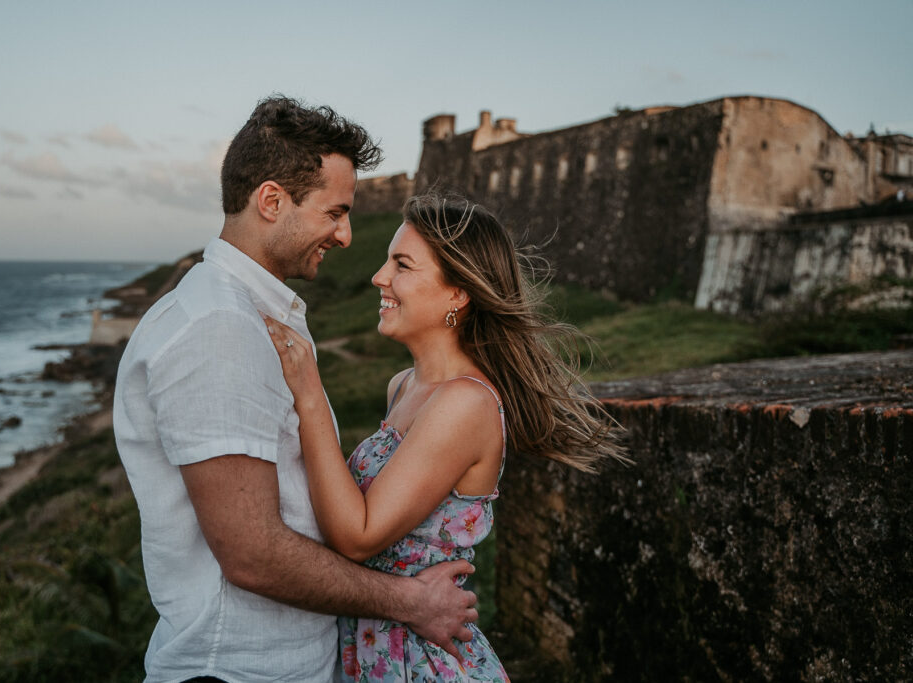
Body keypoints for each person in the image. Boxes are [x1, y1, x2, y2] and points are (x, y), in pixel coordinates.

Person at [113, 98, 478, 683]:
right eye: (335, 212)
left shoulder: (250, 314)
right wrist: (409, 602)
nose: (346, 235)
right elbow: (251, 554)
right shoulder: (219, 328)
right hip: (239, 668)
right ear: (272, 201)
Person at [265, 194, 627, 681]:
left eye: (402, 265)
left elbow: (357, 537)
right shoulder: (404, 386)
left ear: (458, 294)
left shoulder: (466, 403)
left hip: (422, 660)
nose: (379, 277)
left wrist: (309, 394)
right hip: (375, 645)